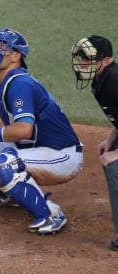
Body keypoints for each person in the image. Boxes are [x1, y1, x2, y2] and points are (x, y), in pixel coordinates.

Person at [0, 28, 84, 235]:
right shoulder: (7, 83)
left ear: (16, 56)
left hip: (61, 156)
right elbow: (13, 132)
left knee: (5, 163)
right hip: (39, 149)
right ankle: (9, 195)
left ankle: (52, 214)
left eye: (1, 49)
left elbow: (23, 130)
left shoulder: (19, 84)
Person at [71, 35, 118, 251]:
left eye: (88, 59)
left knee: (115, 168)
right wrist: (110, 140)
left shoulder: (114, 83)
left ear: (106, 61)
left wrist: (116, 154)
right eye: (81, 58)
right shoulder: (101, 80)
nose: (82, 64)